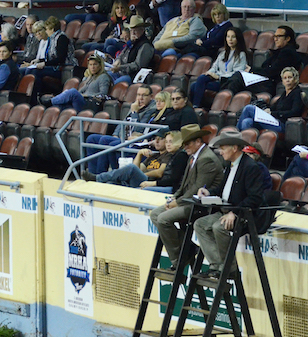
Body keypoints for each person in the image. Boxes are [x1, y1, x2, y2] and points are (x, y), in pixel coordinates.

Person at [149, 124, 223, 269]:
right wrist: (173, 198)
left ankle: (178, 259)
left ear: (198, 142)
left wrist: (178, 202)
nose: (185, 147)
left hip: (201, 205)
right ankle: (188, 247)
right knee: (155, 214)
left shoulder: (206, 159)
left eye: (188, 143)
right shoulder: (193, 157)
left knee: (163, 219)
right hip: (187, 201)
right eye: (184, 144)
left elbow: (198, 189)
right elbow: (184, 185)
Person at [194, 131, 264, 278]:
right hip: (225, 211)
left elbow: (255, 198)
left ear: (234, 148)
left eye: (223, 148)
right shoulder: (230, 165)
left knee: (218, 227)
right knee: (199, 224)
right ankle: (217, 265)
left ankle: (229, 268)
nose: (220, 152)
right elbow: (222, 190)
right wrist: (208, 192)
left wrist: (235, 213)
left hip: (243, 214)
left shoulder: (250, 167)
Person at [85, 85, 156, 173]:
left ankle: (100, 175)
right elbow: (123, 121)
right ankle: (92, 173)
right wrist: (115, 134)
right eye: (138, 95)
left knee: (105, 140)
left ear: (151, 96)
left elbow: (137, 130)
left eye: (144, 95)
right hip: (123, 137)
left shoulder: (151, 109)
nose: (140, 98)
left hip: (133, 141)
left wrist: (134, 113)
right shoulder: (136, 105)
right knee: (91, 138)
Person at [225, 25, 303, 96]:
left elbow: (272, 71)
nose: (275, 39)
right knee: (236, 79)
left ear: (288, 38)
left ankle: (225, 101)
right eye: (275, 36)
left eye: (279, 36)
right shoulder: (280, 51)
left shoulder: (288, 53)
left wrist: (252, 70)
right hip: (266, 81)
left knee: (238, 79)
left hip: (270, 85)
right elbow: (266, 66)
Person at [189, 27, 248, 108]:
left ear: (238, 38)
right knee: (197, 82)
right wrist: (209, 73)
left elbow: (238, 74)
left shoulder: (241, 55)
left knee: (197, 84)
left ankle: (196, 106)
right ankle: (195, 106)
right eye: (228, 37)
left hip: (226, 82)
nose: (230, 39)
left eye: (233, 37)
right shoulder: (223, 53)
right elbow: (214, 67)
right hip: (217, 79)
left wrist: (219, 77)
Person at [236, 66, 303, 132]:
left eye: (290, 77)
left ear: (295, 79)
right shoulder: (284, 94)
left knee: (249, 108)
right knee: (246, 121)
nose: (287, 80)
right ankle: (244, 142)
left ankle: (235, 134)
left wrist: (273, 113)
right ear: (282, 81)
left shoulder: (297, 93)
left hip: (281, 124)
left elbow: (295, 112)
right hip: (273, 121)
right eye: (285, 78)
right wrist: (267, 110)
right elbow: (274, 107)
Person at [41, 55, 112, 112]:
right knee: (58, 106)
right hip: (82, 102)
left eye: (95, 64)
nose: (92, 67)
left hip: (89, 104)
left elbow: (103, 94)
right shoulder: (90, 77)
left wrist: (86, 95)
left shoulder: (103, 77)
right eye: (90, 65)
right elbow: (81, 91)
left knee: (73, 92)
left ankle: (50, 101)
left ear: (100, 66)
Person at [107, 15, 155, 85]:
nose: (133, 33)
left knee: (117, 84)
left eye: (135, 30)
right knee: (104, 76)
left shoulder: (145, 45)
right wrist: (118, 60)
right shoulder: (131, 43)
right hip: (122, 72)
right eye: (131, 30)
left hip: (134, 76)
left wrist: (120, 68)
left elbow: (138, 65)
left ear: (142, 30)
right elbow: (122, 54)